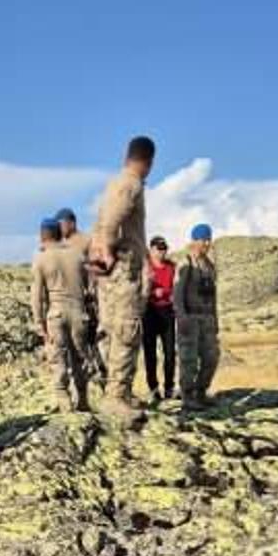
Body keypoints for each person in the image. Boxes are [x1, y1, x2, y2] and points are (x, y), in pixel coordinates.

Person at [90, 136, 154, 424]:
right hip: (124, 270)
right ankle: (115, 397)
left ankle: (118, 391)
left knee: (114, 330)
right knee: (126, 331)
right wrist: (106, 247)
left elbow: (106, 219)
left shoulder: (114, 183)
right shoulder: (131, 184)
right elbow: (114, 218)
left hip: (114, 272)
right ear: (149, 161)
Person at [30, 217, 91, 413]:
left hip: (56, 312)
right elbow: (90, 287)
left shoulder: (41, 258)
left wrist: (38, 322)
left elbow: (37, 295)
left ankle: (64, 401)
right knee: (79, 358)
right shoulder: (78, 256)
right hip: (79, 311)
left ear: (42, 236)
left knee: (58, 358)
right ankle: (82, 399)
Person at [56, 207, 106, 389]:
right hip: (65, 300)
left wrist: (91, 288)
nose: (59, 228)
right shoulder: (59, 244)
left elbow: (98, 267)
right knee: (70, 346)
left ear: (70, 222)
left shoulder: (86, 241)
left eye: (61, 224)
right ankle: (81, 382)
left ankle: (101, 378)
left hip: (87, 301)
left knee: (90, 342)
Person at [174, 224, 220, 411]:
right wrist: (182, 316)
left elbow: (213, 296)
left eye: (209, 239)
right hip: (190, 319)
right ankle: (187, 395)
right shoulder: (185, 262)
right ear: (194, 240)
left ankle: (201, 392)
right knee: (189, 360)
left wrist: (215, 320)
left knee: (212, 357)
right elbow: (177, 293)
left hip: (207, 319)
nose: (207, 243)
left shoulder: (209, 266)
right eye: (204, 240)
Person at [142, 235, 177, 402]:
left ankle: (169, 388)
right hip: (149, 312)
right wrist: (150, 292)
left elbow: (176, 287)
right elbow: (137, 289)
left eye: (164, 248)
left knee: (170, 353)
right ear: (151, 249)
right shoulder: (144, 267)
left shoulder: (171, 267)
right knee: (150, 354)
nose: (162, 252)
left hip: (167, 312)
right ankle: (153, 389)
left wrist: (168, 293)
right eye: (158, 248)